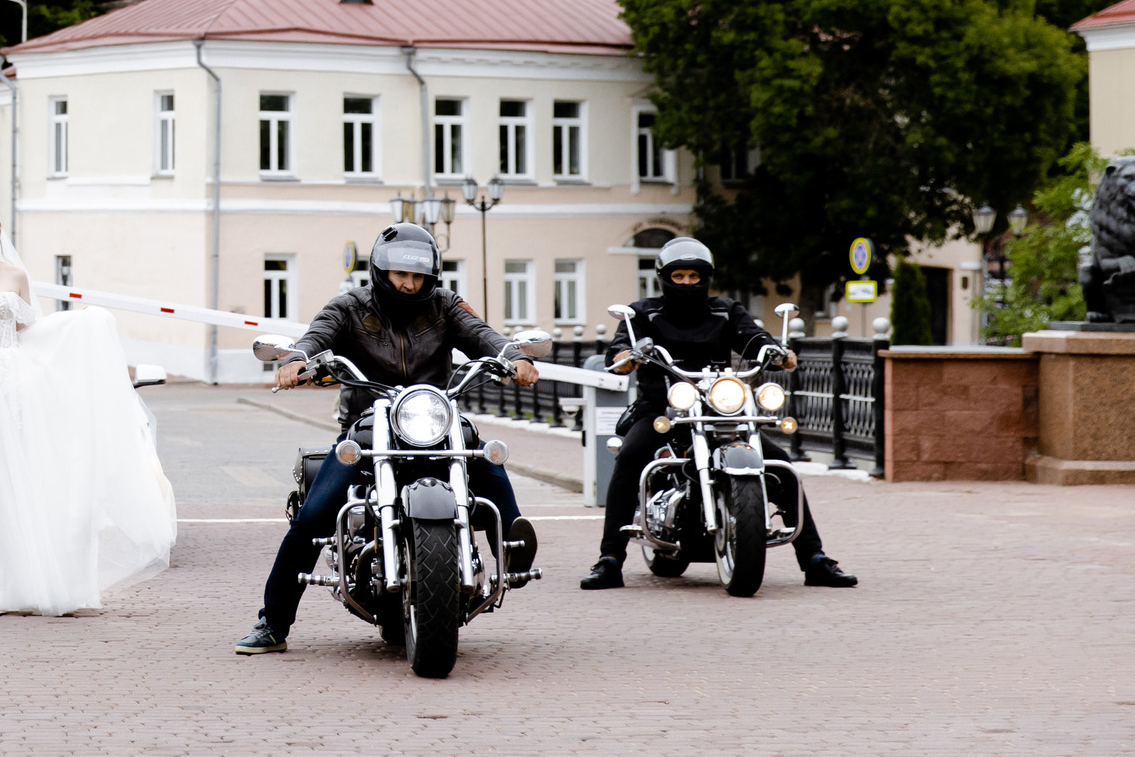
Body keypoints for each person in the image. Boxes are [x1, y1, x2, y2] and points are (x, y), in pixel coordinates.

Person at [235, 223, 540, 656]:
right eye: (401, 275)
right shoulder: (349, 306)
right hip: (369, 424)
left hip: (432, 418)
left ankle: (512, 541)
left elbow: (482, 335)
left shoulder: (445, 305)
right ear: (381, 271)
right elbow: (317, 336)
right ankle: (273, 622)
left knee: (483, 454)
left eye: (417, 276)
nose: (409, 284)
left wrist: (514, 356)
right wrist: (298, 359)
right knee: (313, 516)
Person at [0, 202, 176, 614]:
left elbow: (30, 335)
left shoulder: (15, 277)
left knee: (15, 484)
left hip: (10, 388)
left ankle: (19, 582)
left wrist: (80, 334)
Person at [579, 237, 858, 590]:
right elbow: (619, 351)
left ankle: (814, 559)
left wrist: (774, 351)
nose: (686, 283)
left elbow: (752, 337)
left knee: (780, 464)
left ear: (706, 277)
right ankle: (609, 560)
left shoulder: (725, 310)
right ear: (664, 277)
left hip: (718, 407)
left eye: (694, 277)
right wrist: (627, 357)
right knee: (631, 457)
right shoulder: (643, 313)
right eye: (678, 276)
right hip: (663, 407)